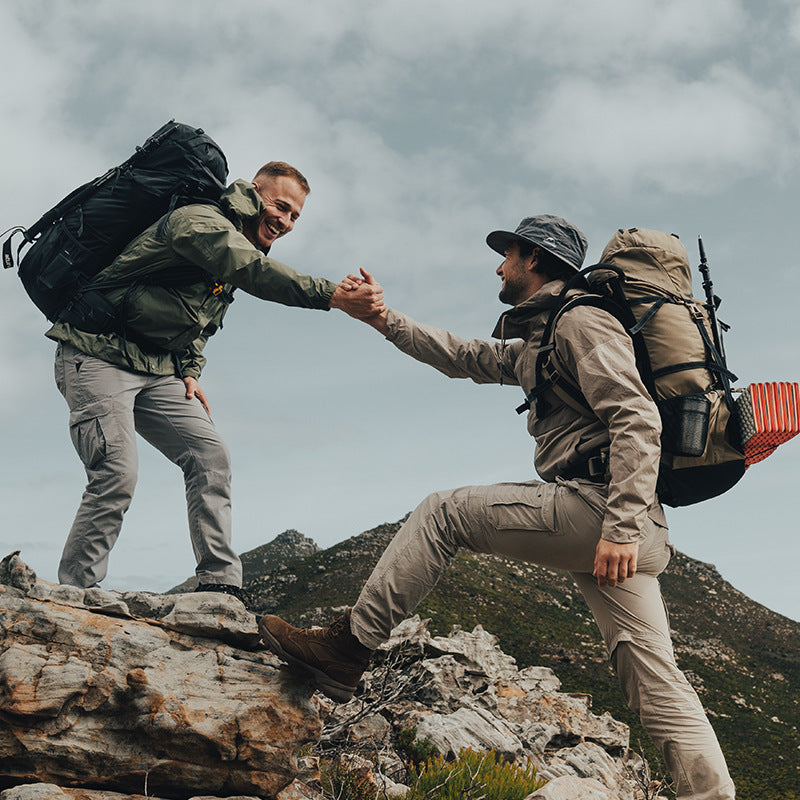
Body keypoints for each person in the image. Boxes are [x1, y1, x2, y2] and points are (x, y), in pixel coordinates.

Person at [258, 215, 736, 800]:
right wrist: (383, 318)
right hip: (629, 524)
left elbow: (635, 417)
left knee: (444, 513)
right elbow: (463, 355)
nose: (498, 265)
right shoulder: (546, 338)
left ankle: (348, 649)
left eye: (506, 254)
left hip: (605, 511)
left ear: (534, 259)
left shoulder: (581, 321)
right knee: (654, 676)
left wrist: (620, 526)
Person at [48, 161, 384, 596]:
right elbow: (252, 271)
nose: (285, 221)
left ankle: (220, 587)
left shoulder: (237, 245)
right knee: (116, 472)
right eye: (280, 206)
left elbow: (199, 321)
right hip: (95, 354)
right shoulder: (200, 221)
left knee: (211, 458)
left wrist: (189, 370)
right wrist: (332, 295)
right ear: (254, 193)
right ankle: (75, 594)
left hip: (158, 368)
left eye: (296, 216)